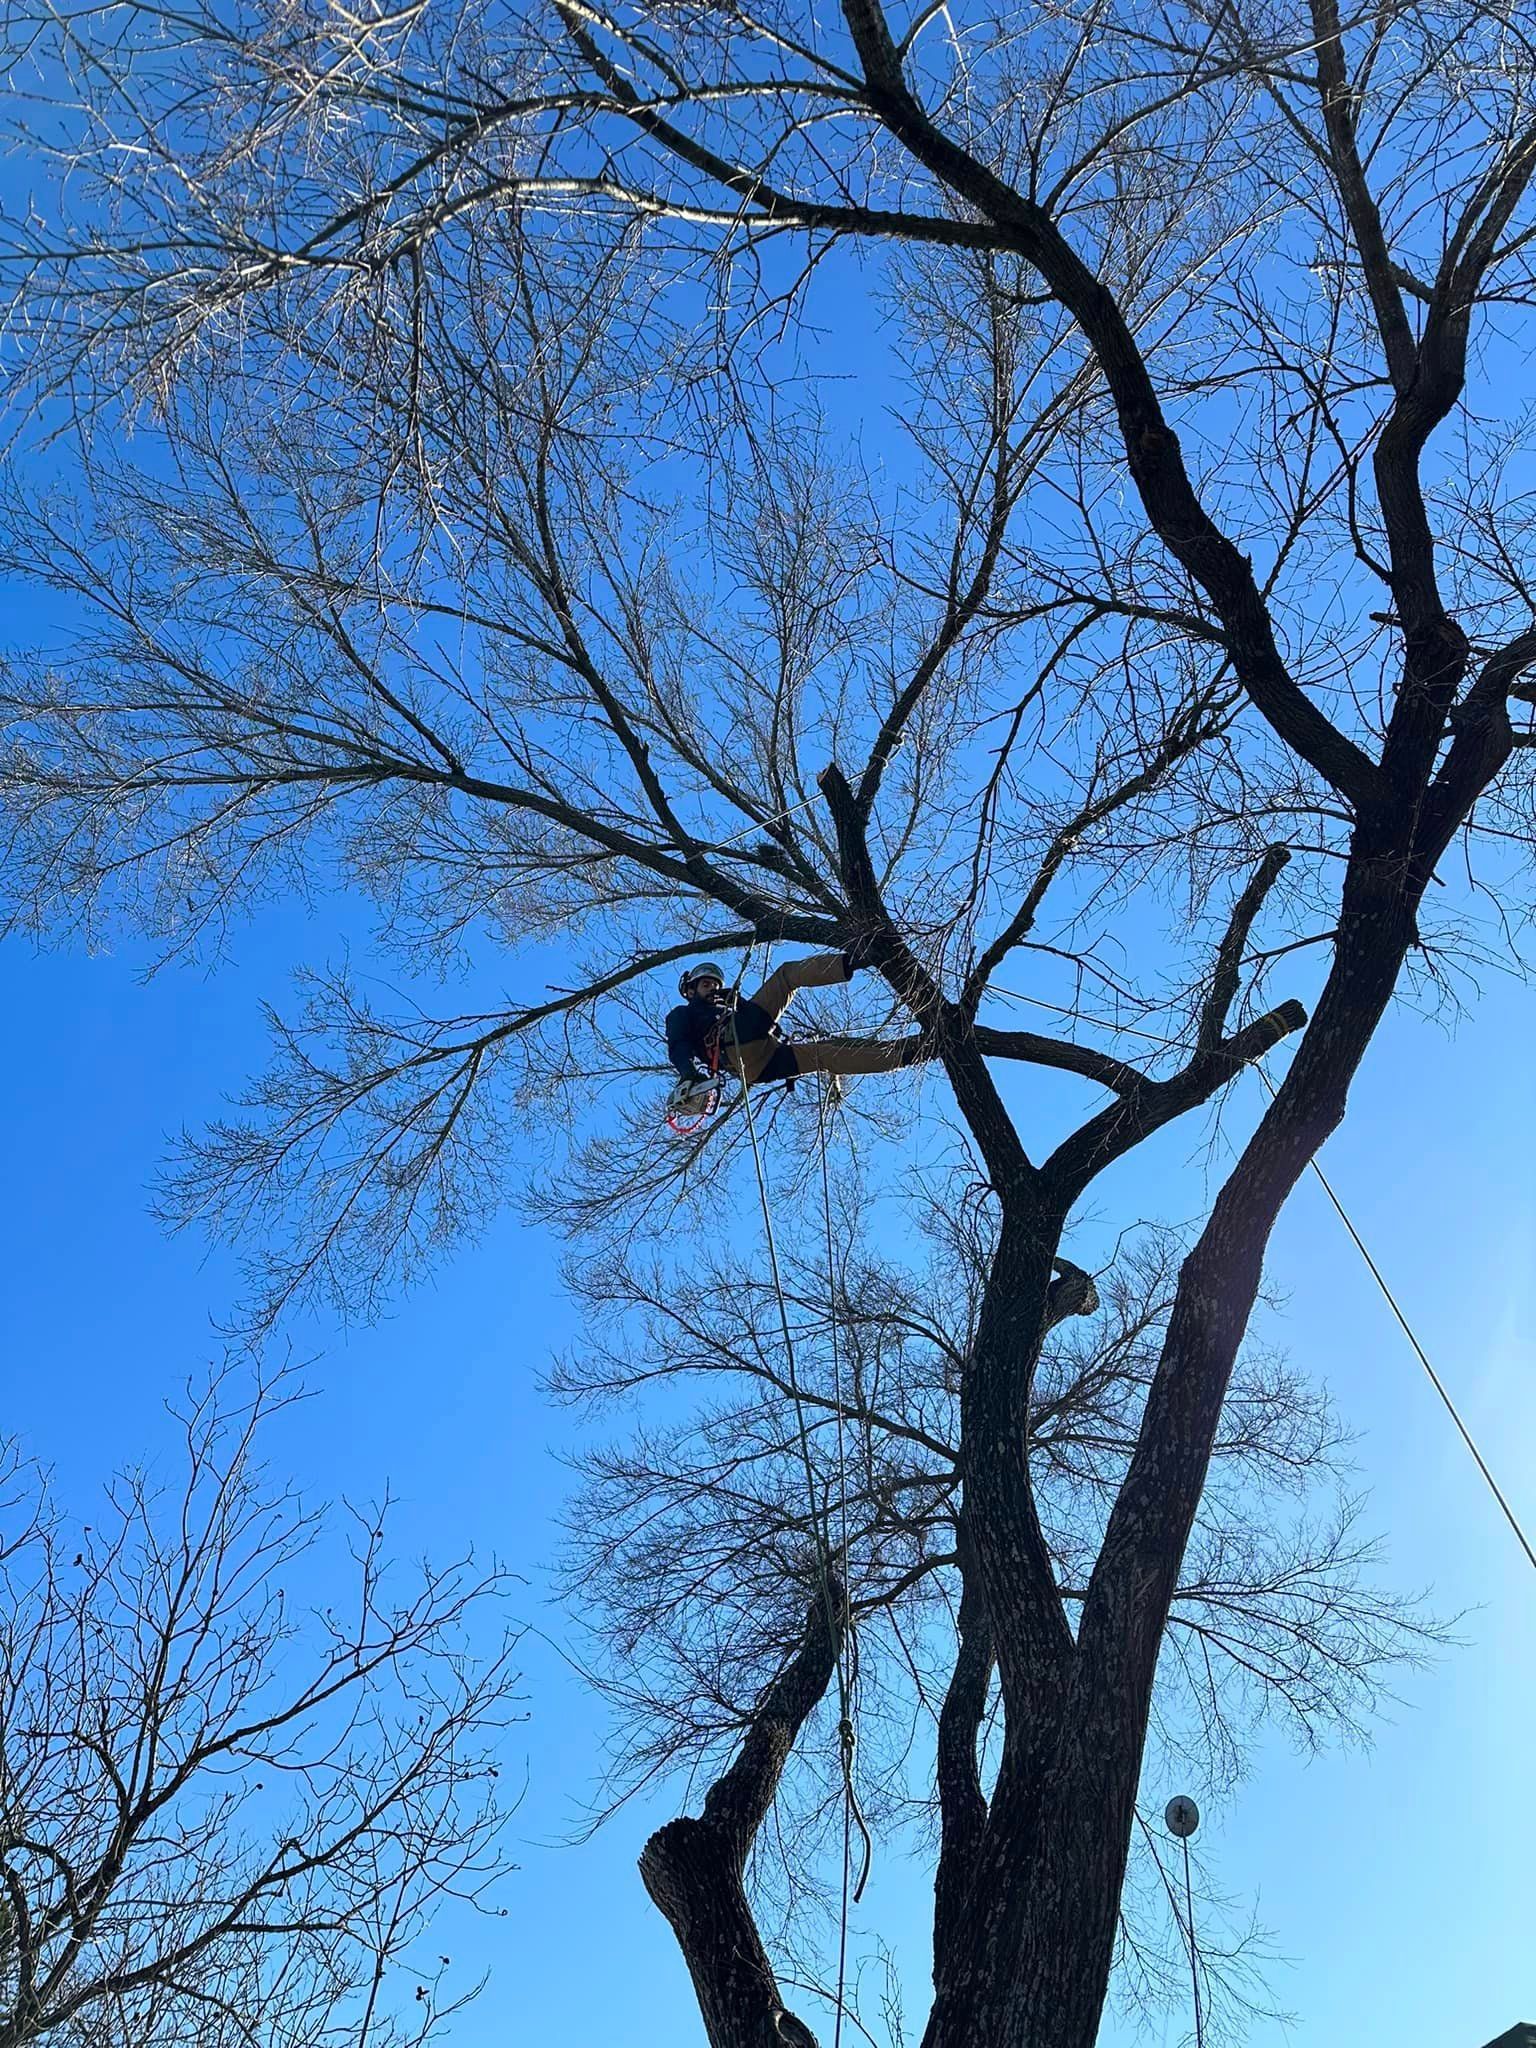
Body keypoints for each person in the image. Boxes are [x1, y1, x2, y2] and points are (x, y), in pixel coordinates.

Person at [665, 951, 923, 1105]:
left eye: (715, 984)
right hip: (736, 1049)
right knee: (786, 976)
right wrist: (688, 1074)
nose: (712, 989)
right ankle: (855, 960)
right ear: (691, 991)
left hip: (759, 1062)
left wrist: (738, 1004)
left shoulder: (728, 1010)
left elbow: (753, 1023)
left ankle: (910, 1053)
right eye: (706, 985)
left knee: (825, 1054)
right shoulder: (683, 1014)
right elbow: (679, 1045)